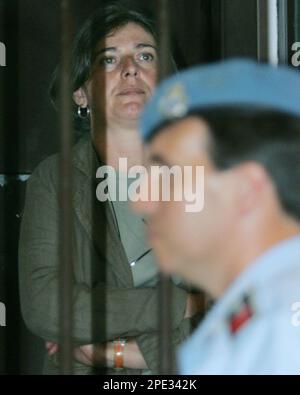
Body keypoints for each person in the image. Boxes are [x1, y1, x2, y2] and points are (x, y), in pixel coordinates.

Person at [18, 3, 203, 375]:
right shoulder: (54, 179)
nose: (130, 68)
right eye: (107, 60)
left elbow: (240, 312)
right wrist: (181, 306)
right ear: (80, 94)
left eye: (145, 55)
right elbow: (45, 305)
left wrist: (117, 352)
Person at [135, 59, 300, 374]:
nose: (141, 201)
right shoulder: (255, 316)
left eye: (167, 175)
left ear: (245, 190)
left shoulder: (284, 329)